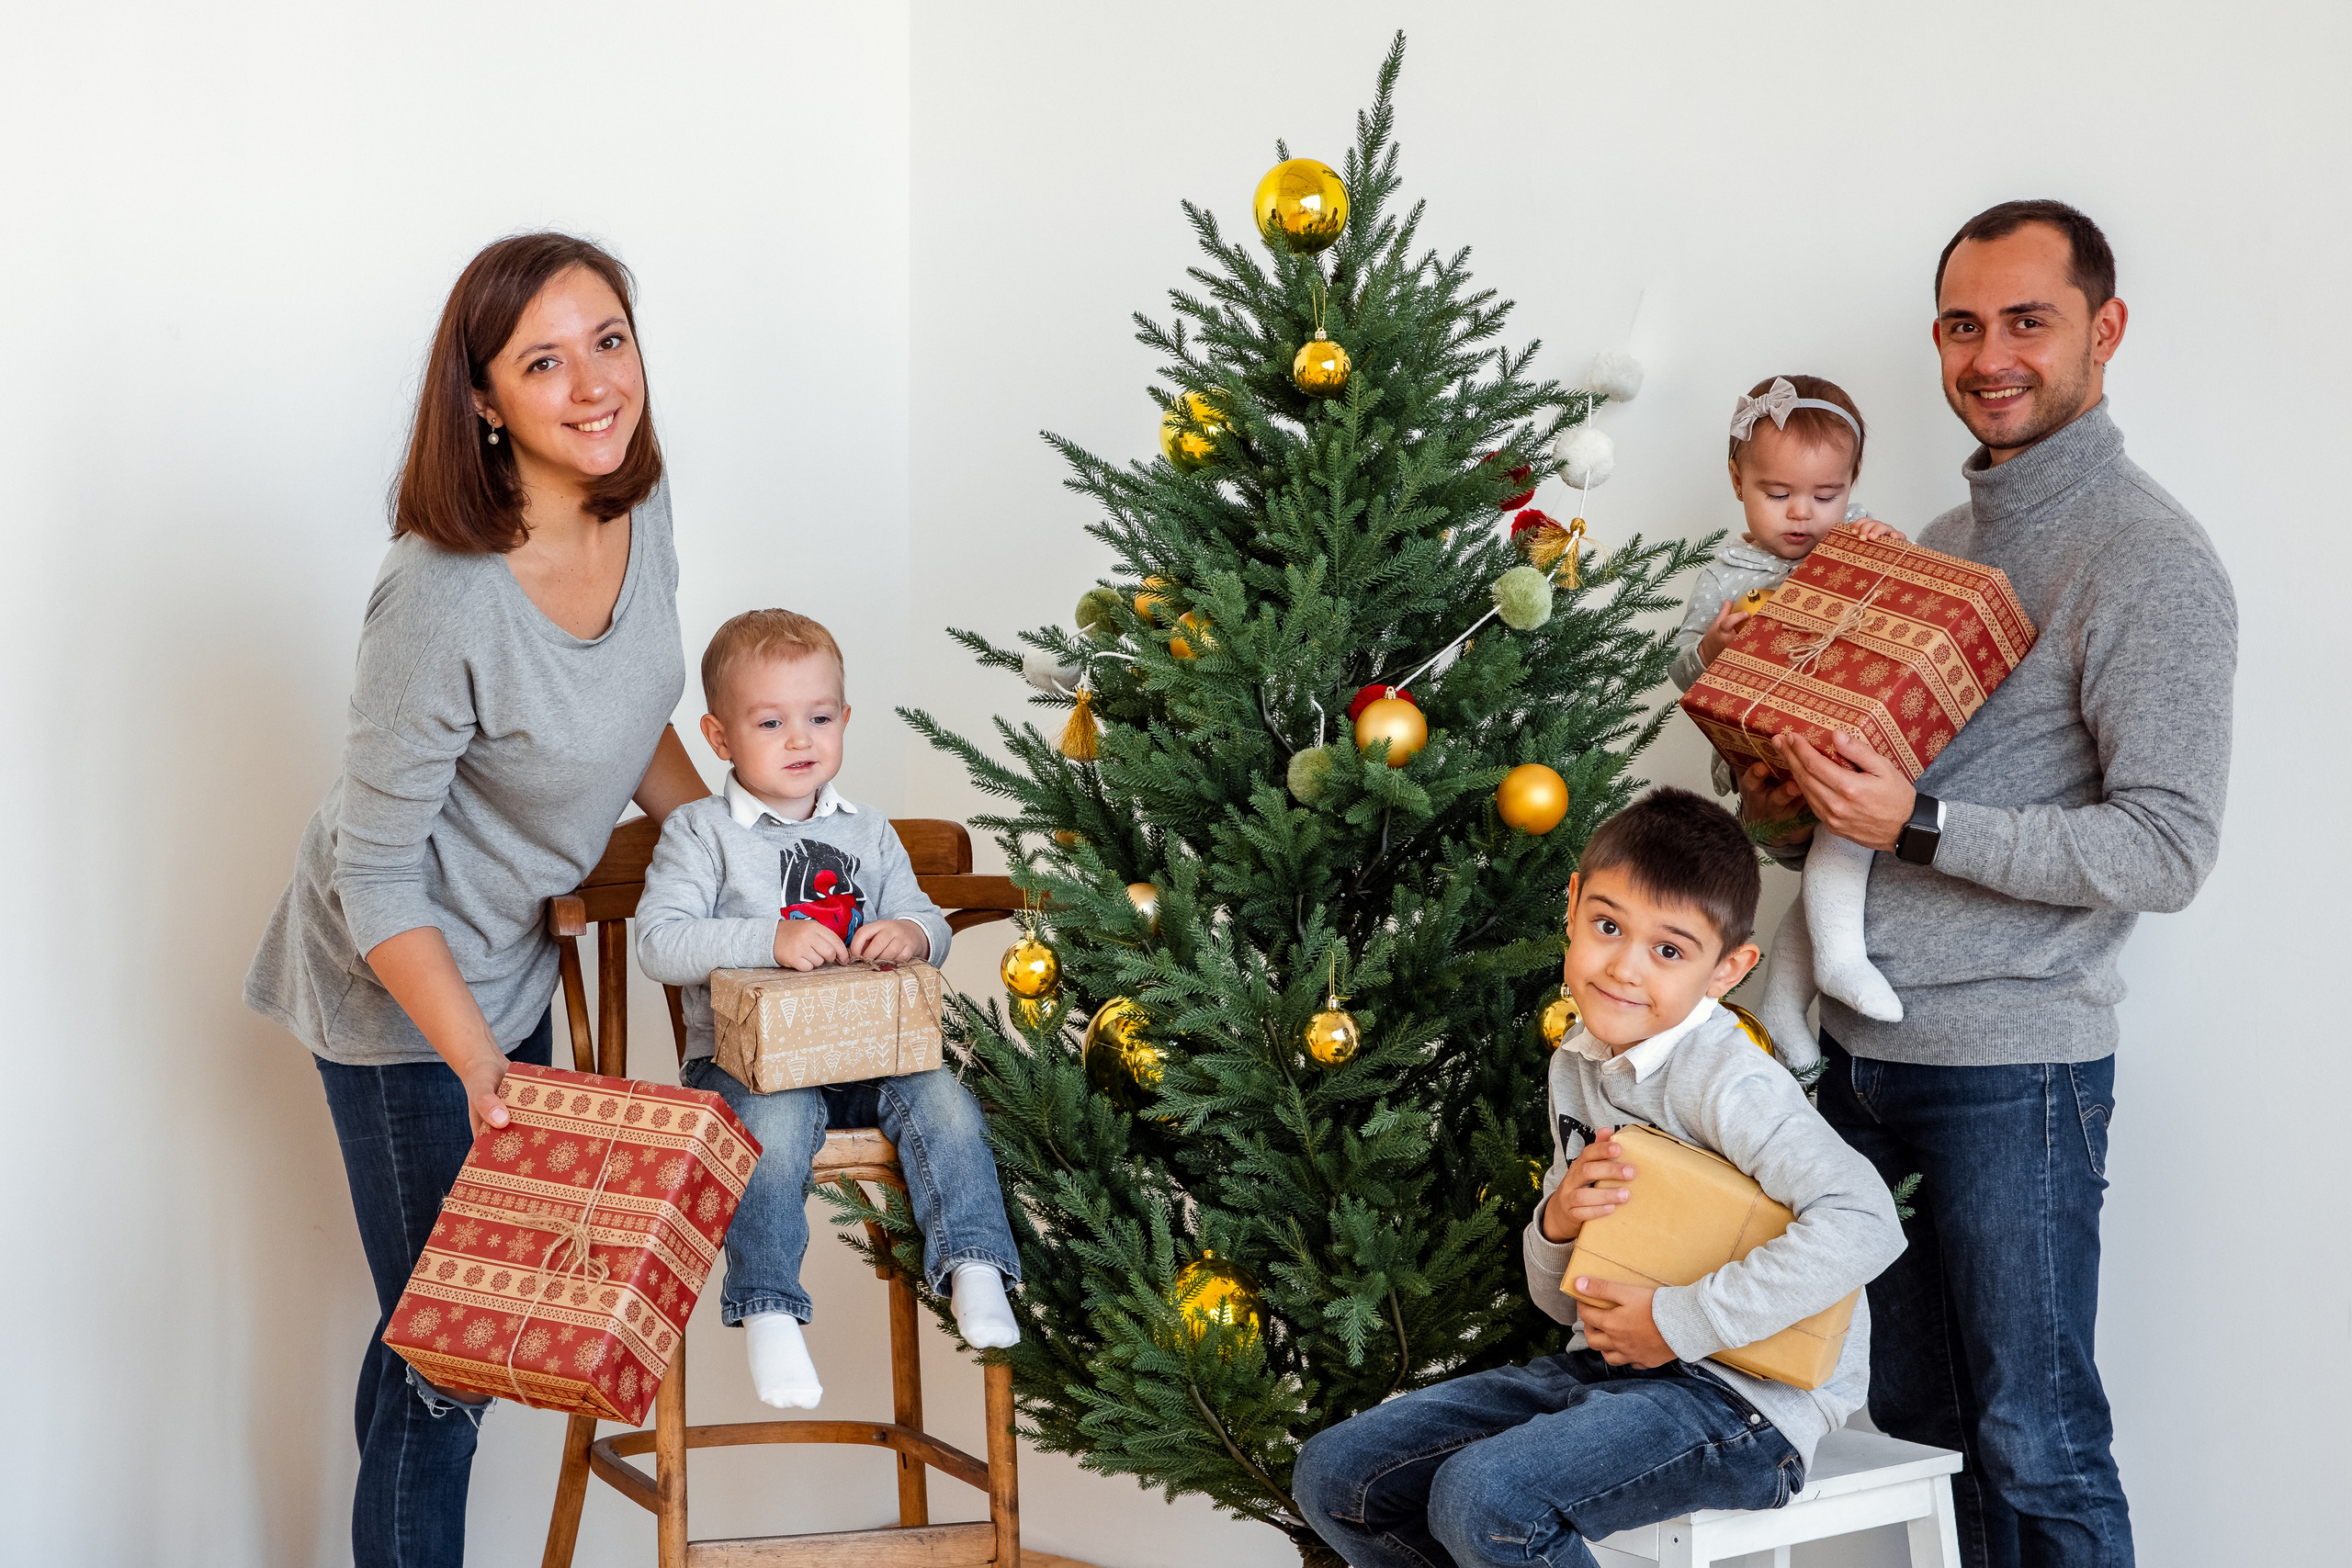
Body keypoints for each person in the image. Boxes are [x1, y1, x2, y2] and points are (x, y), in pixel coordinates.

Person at [1740, 200, 2237, 1568]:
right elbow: (1859, 822)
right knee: (1918, 1426)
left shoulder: (2148, 559)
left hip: (2017, 1070)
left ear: (2105, 330)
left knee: (2039, 1439)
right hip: (1859, 1061)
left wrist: (1923, 822)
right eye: (1965, 325)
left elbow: (2169, 845)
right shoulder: (1934, 543)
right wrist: (1792, 807)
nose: (1991, 353)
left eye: (2030, 320)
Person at [244, 234, 708, 1568]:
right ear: (485, 401)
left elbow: (630, 711)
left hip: (506, 963)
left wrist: (733, 841)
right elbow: (373, 872)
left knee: (444, 1346)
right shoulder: (439, 592)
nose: (593, 384)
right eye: (544, 361)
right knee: (454, 1358)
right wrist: (478, 1063)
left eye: (608, 340)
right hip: (399, 998)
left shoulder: (639, 503)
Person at [1293, 788, 1905, 1568]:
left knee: (1487, 1499)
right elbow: (1561, 1301)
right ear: (1574, 904)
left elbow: (1866, 1219)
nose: (1623, 967)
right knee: (1338, 1475)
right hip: (1604, 1370)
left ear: (1729, 970)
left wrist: (1677, 1323)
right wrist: (1558, 1225)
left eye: (1670, 950)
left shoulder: (1729, 1081)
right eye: (1608, 926)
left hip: (1745, 1401)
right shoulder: (1575, 1065)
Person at [635, 609, 1023, 1409]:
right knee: (770, 1131)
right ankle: (771, 1305)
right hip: (749, 1071)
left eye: (818, 718)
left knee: (946, 1100)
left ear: (844, 720)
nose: (799, 738)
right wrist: (769, 937)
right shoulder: (699, 834)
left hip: (869, 1055)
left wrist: (910, 932)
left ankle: (975, 1263)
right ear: (718, 735)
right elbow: (659, 944)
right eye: (770, 721)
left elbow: (934, 927)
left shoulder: (867, 831)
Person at [1667, 374, 1908, 1055]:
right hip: (1765, 750)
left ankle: (1787, 998)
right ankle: (1807, 982)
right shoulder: (1725, 572)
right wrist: (1713, 647)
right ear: (1737, 479)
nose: (1803, 513)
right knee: (1840, 842)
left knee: (1850, 834)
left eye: (1825, 495)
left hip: (1844, 735)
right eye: (1778, 494)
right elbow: (1683, 672)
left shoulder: (1860, 539)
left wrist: (1895, 557)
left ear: (1852, 482)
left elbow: (1909, 622)